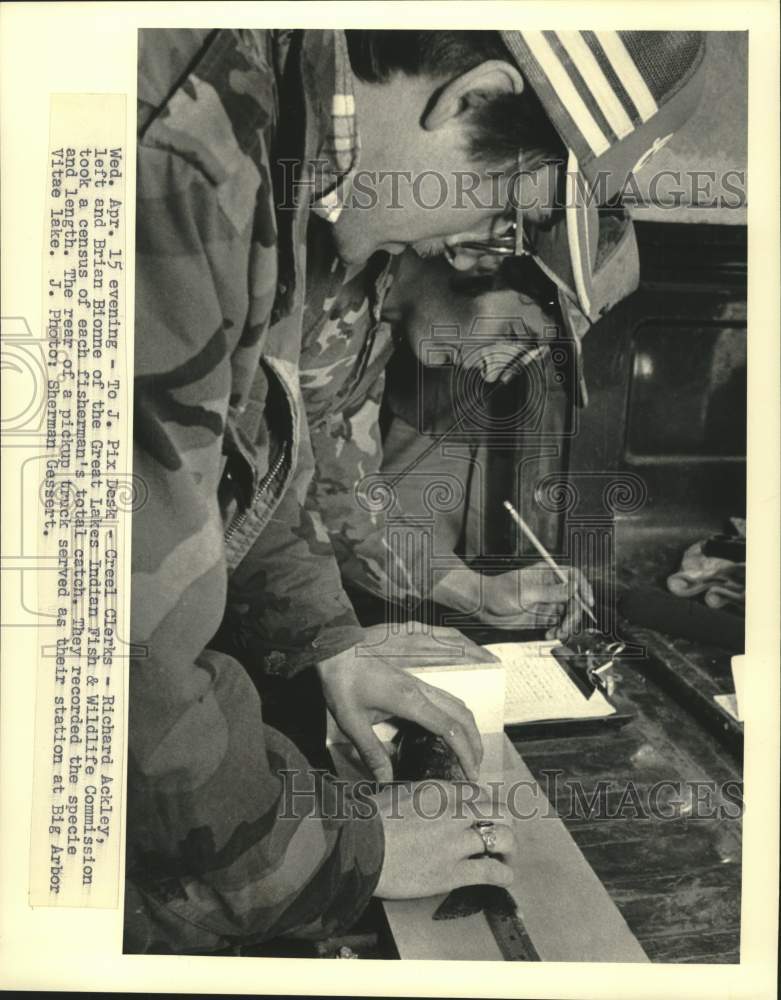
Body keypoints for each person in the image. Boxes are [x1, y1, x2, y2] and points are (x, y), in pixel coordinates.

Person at [127, 28, 707, 952]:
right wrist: (336, 854)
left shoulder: (283, 164)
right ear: (471, 98)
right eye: (504, 222)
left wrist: (327, 643)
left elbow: (280, 476)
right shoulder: (200, 147)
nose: (474, 249)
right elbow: (118, 606)